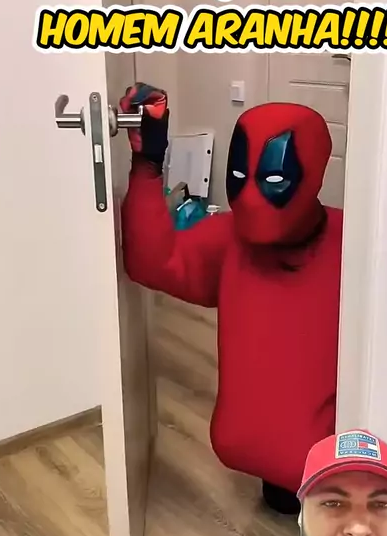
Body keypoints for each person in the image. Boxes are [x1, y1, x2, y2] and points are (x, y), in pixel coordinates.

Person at [120, 82, 343, 514]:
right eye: (239, 178)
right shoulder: (229, 241)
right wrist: (148, 164)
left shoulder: (349, 246)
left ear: (313, 174)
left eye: (274, 179)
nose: (252, 198)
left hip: (331, 461)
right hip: (251, 444)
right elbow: (152, 260)